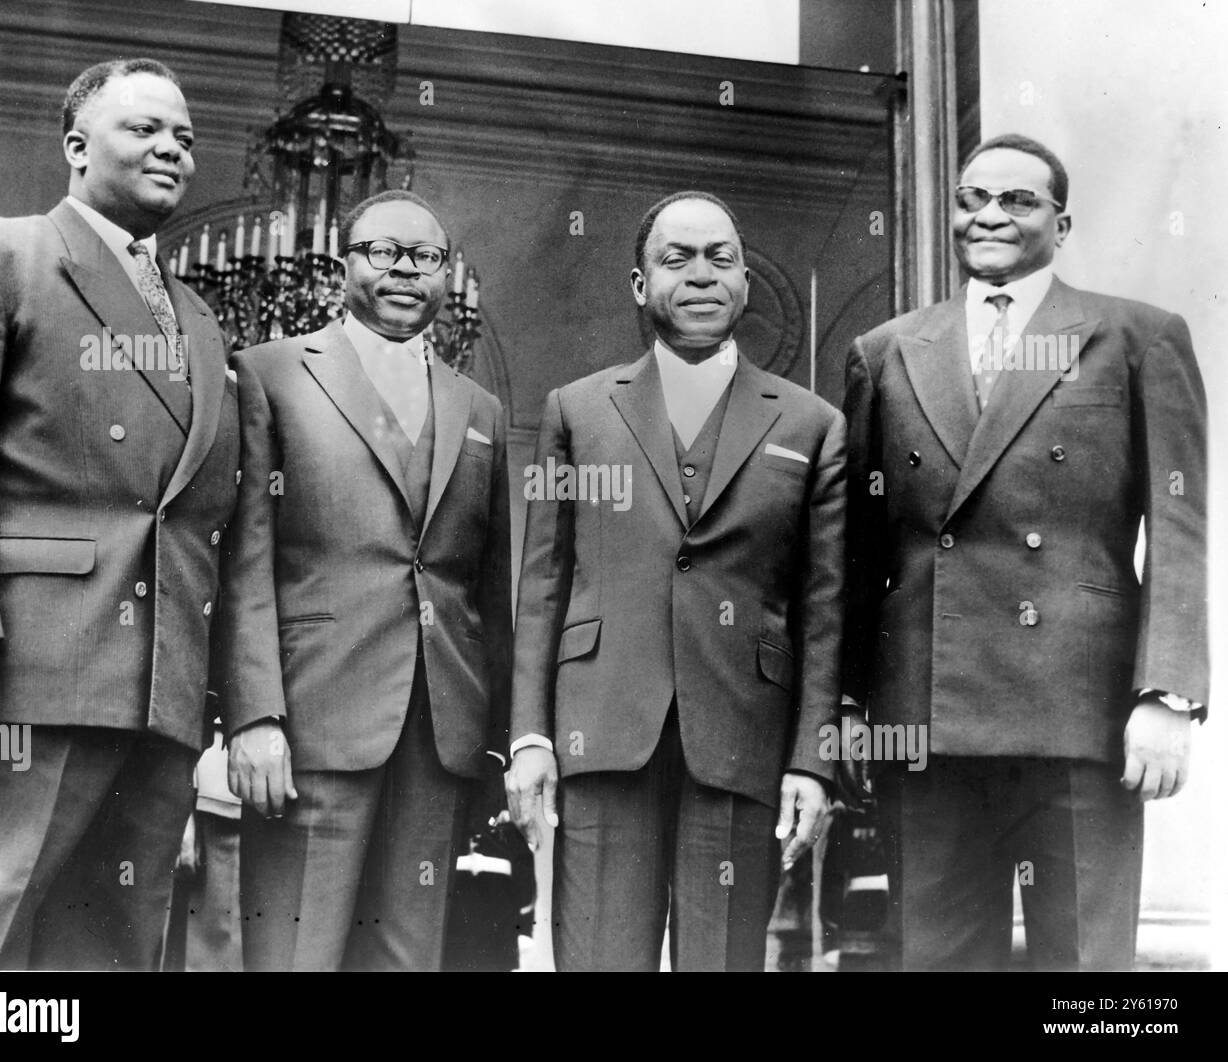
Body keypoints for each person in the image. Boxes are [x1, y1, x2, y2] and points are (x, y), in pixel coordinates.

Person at [841, 133, 1208, 971]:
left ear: (1062, 221)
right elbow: (861, 553)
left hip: (1079, 708)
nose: (991, 216)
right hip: (925, 710)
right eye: (974, 198)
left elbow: (1180, 527)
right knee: (930, 958)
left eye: (1018, 200)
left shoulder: (1136, 337)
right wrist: (854, 707)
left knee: (1085, 973)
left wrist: (1169, 695)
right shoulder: (887, 349)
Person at [0, 58, 239, 969]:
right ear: (75, 147)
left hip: (158, 688)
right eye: (143, 129)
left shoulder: (198, 318)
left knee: (104, 952)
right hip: (27, 667)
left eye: (183, 136)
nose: (171, 149)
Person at [507, 190, 845, 971]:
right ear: (638, 284)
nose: (701, 275)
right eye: (677, 258)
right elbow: (545, 582)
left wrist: (812, 759)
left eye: (721, 258)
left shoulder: (810, 424)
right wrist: (530, 735)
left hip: (743, 735)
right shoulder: (579, 411)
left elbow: (825, 609)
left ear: (746, 284)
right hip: (601, 731)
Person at [219, 189, 513, 971]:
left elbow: (486, 590)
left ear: (449, 277)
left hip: (440, 729)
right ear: (342, 265)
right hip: (311, 720)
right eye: (383, 252)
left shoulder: (478, 408)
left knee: (407, 957)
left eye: (426, 257)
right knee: (295, 954)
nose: (405, 271)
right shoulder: (269, 374)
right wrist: (254, 715)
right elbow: (246, 558)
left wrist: (496, 742)